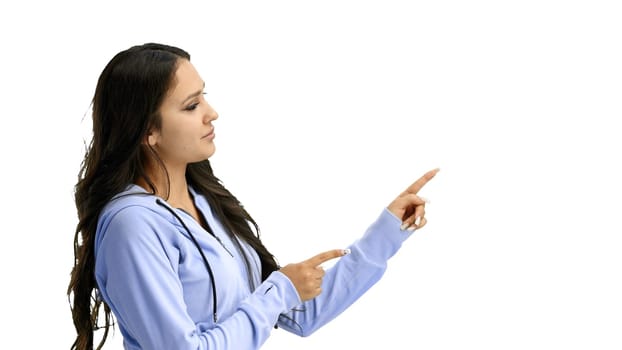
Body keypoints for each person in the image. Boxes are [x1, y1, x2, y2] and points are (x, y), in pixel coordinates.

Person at [67, 42, 439, 350]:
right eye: (192, 105)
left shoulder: (207, 203)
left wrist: (387, 233)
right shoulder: (132, 224)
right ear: (148, 131)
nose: (212, 113)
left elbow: (298, 314)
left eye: (204, 98)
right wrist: (280, 291)